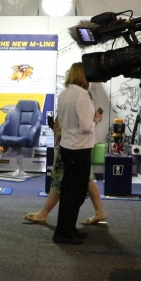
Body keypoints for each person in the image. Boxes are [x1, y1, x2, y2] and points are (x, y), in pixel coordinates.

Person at [23, 115, 108, 226]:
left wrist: (95, 120)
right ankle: (99, 212)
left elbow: (84, 123)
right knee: (86, 176)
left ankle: (44, 213)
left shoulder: (80, 104)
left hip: (69, 143)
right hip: (69, 140)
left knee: (60, 177)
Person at [51, 63, 102, 244]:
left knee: (69, 191)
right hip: (79, 148)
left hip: (68, 146)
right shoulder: (82, 95)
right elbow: (86, 126)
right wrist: (96, 119)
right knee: (75, 193)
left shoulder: (64, 93)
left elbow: (63, 120)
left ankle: (68, 228)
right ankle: (64, 232)